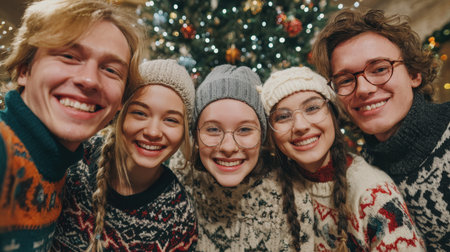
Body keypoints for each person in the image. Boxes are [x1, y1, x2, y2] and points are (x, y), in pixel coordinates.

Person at [0, 0, 144, 251]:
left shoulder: (62, 166)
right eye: (68, 56)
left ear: (121, 101)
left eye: (111, 70)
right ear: (24, 70)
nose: (89, 80)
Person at [311, 9, 450, 250]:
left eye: (379, 69)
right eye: (345, 80)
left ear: (414, 73)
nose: (363, 89)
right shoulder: (361, 176)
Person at [260, 66, 425, 251]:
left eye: (312, 108)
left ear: (333, 115)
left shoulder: (374, 194)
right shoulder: (267, 189)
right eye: (283, 117)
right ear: (271, 133)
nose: (300, 125)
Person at [51, 59, 198, 251]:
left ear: (183, 133)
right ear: (121, 114)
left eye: (171, 120)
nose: (153, 132)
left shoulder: (178, 214)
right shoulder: (77, 158)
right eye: (140, 113)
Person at [170, 64, 314, 251]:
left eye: (245, 130)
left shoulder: (293, 196)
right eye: (213, 129)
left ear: (262, 136)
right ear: (196, 135)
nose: (228, 147)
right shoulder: (177, 181)